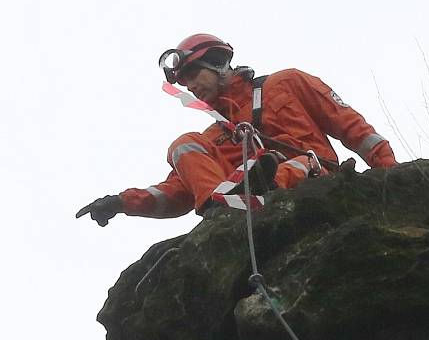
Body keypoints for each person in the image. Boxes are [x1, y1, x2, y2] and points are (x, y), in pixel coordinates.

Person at [77, 33, 397, 226]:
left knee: (293, 164)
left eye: (192, 75)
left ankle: (252, 186)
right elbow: (178, 192)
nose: (190, 86)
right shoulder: (214, 137)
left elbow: (352, 127)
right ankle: (224, 204)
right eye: (183, 82)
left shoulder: (286, 83)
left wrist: (393, 179)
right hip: (241, 207)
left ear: (217, 64)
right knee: (183, 145)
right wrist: (121, 203)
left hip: (315, 178)